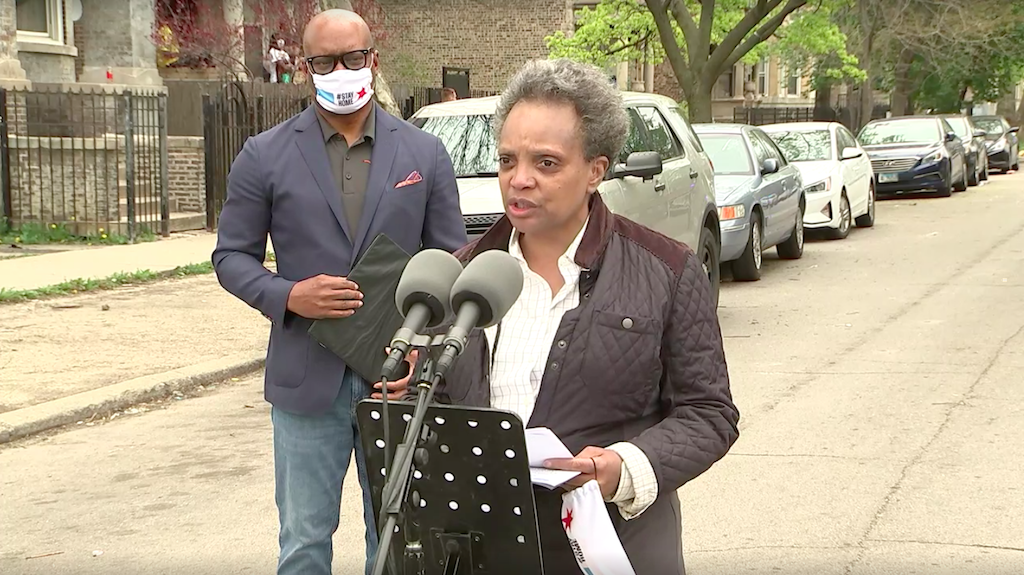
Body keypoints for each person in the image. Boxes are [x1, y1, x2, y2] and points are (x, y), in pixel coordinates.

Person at [383, 58, 740, 574]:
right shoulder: (459, 280)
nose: (519, 180)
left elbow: (709, 414)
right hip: (483, 550)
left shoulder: (669, 271)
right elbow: (438, 408)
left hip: (614, 547)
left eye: (546, 163)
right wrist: (410, 395)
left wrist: (626, 469)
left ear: (596, 169)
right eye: (507, 161)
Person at [211, 9, 467, 575]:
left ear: (372, 61)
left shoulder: (424, 154)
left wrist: (423, 349)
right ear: (307, 69)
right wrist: (287, 295)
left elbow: (451, 261)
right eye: (325, 61)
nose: (341, 70)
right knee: (303, 540)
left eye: (352, 57)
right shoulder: (264, 154)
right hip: (307, 375)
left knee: (397, 537)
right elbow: (230, 257)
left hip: (396, 375)